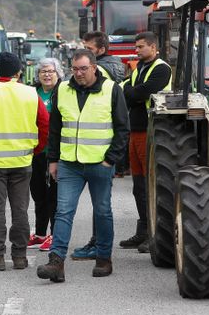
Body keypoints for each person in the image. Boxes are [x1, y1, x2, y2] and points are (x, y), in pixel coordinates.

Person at [37, 49, 130, 283]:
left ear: (94, 68)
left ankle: (103, 259)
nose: (78, 73)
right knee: (63, 211)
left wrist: (111, 158)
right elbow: (55, 128)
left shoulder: (111, 90)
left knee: (102, 211)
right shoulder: (63, 89)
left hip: (100, 163)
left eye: (83, 69)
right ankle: (56, 262)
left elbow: (122, 128)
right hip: (70, 164)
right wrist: (53, 160)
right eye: (75, 69)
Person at [0, 52, 50, 271]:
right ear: (18, 72)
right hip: (23, 161)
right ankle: (20, 256)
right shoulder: (31, 93)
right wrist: (36, 149)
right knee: (20, 209)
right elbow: (44, 124)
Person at [70, 31, 128, 260]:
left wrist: (109, 158)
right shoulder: (114, 67)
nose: (84, 52)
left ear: (100, 52)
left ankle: (98, 247)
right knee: (101, 207)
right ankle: (99, 246)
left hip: (96, 154)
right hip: (102, 151)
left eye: (89, 49)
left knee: (101, 208)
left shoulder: (99, 73)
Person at [120, 31, 172, 253]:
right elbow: (126, 90)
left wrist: (131, 92)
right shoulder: (139, 68)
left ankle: (156, 234)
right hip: (136, 129)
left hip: (152, 130)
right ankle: (143, 231)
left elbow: (141, 93)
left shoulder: (161, 68)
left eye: (140, 46)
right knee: (139, 185)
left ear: (153, 46)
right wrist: (131, 92)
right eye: (136, 46)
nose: (137, 50)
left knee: (151, 185)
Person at [27, 58, 63, 252]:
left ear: (58, 74)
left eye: (51, 71)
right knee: (38, 194)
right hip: (36, 151)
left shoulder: (63, 92)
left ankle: (55, 236)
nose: (47, 75)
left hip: (54, 153)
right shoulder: (32, 93)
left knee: (53, 197)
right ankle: (40, 234)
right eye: (43, 72)